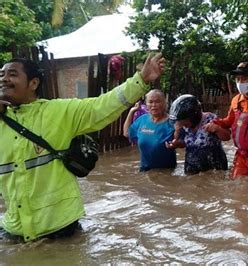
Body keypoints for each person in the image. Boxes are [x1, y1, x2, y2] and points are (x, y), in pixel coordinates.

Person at [0, 53, 165, 242]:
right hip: (14, 231)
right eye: (1, 74)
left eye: (12, 74)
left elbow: (102, 106)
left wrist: (141, 80)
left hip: (60, 229)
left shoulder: (59, 112)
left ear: (33, 83)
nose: (4, 79)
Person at [165, 94, 229, 174]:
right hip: (191, 167)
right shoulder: (182, 125)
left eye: (185, 122)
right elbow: (186, 143)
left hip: (214, 168)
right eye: (180, 123)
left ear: (194, 116)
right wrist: (177, 144)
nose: (183, 125)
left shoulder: (211, 119)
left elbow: (227, 137)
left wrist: (217, 129)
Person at [123, 89, 176, 171]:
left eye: (157, 102)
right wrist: (132, 111)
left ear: (164, 103)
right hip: (144, 171)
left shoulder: (172, 123)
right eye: (150, 102)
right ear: (146, 104)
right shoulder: (142, 120)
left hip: (166, 173)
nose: (154, 105)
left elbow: (184, 142)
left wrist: (176, 144)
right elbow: (126, 133)